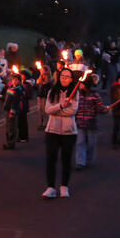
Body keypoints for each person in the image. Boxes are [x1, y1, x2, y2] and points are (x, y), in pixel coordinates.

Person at [42, 68, 79, 199]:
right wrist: (61, 106)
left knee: (66, 159)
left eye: (67, 76)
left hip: (69, 132)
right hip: (52, 130)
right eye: (62, 76)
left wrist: (57, 110)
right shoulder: (52, 92)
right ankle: (51, 187)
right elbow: (47, 109)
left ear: (71, 79)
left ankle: (64, 186)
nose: (64, 78)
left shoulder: (75, 93)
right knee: (51, 159)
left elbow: (73, 111)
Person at [74, 73, 108, 169]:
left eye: (82, 84)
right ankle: (80, 162)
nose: (80, 85)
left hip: (91, 123)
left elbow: (99, 108)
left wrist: (104, 109)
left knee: (91, 143)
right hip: (80, 122)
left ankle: (88, 160)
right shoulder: (77, 95)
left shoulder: (95, 96)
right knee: (80, 142)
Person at [1, 73, 24, 150]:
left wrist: (12, 112)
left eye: (16, 80)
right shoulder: (11, 88)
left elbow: (15, 102)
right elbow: (6, 97)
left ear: (19, 81)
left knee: (12, 127)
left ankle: (11, 143)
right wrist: (0, 97)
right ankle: (8, 142)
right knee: (8, 127)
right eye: (13, 79)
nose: (14, 81)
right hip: (8, 109)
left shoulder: (18, 90)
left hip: (12, 111)